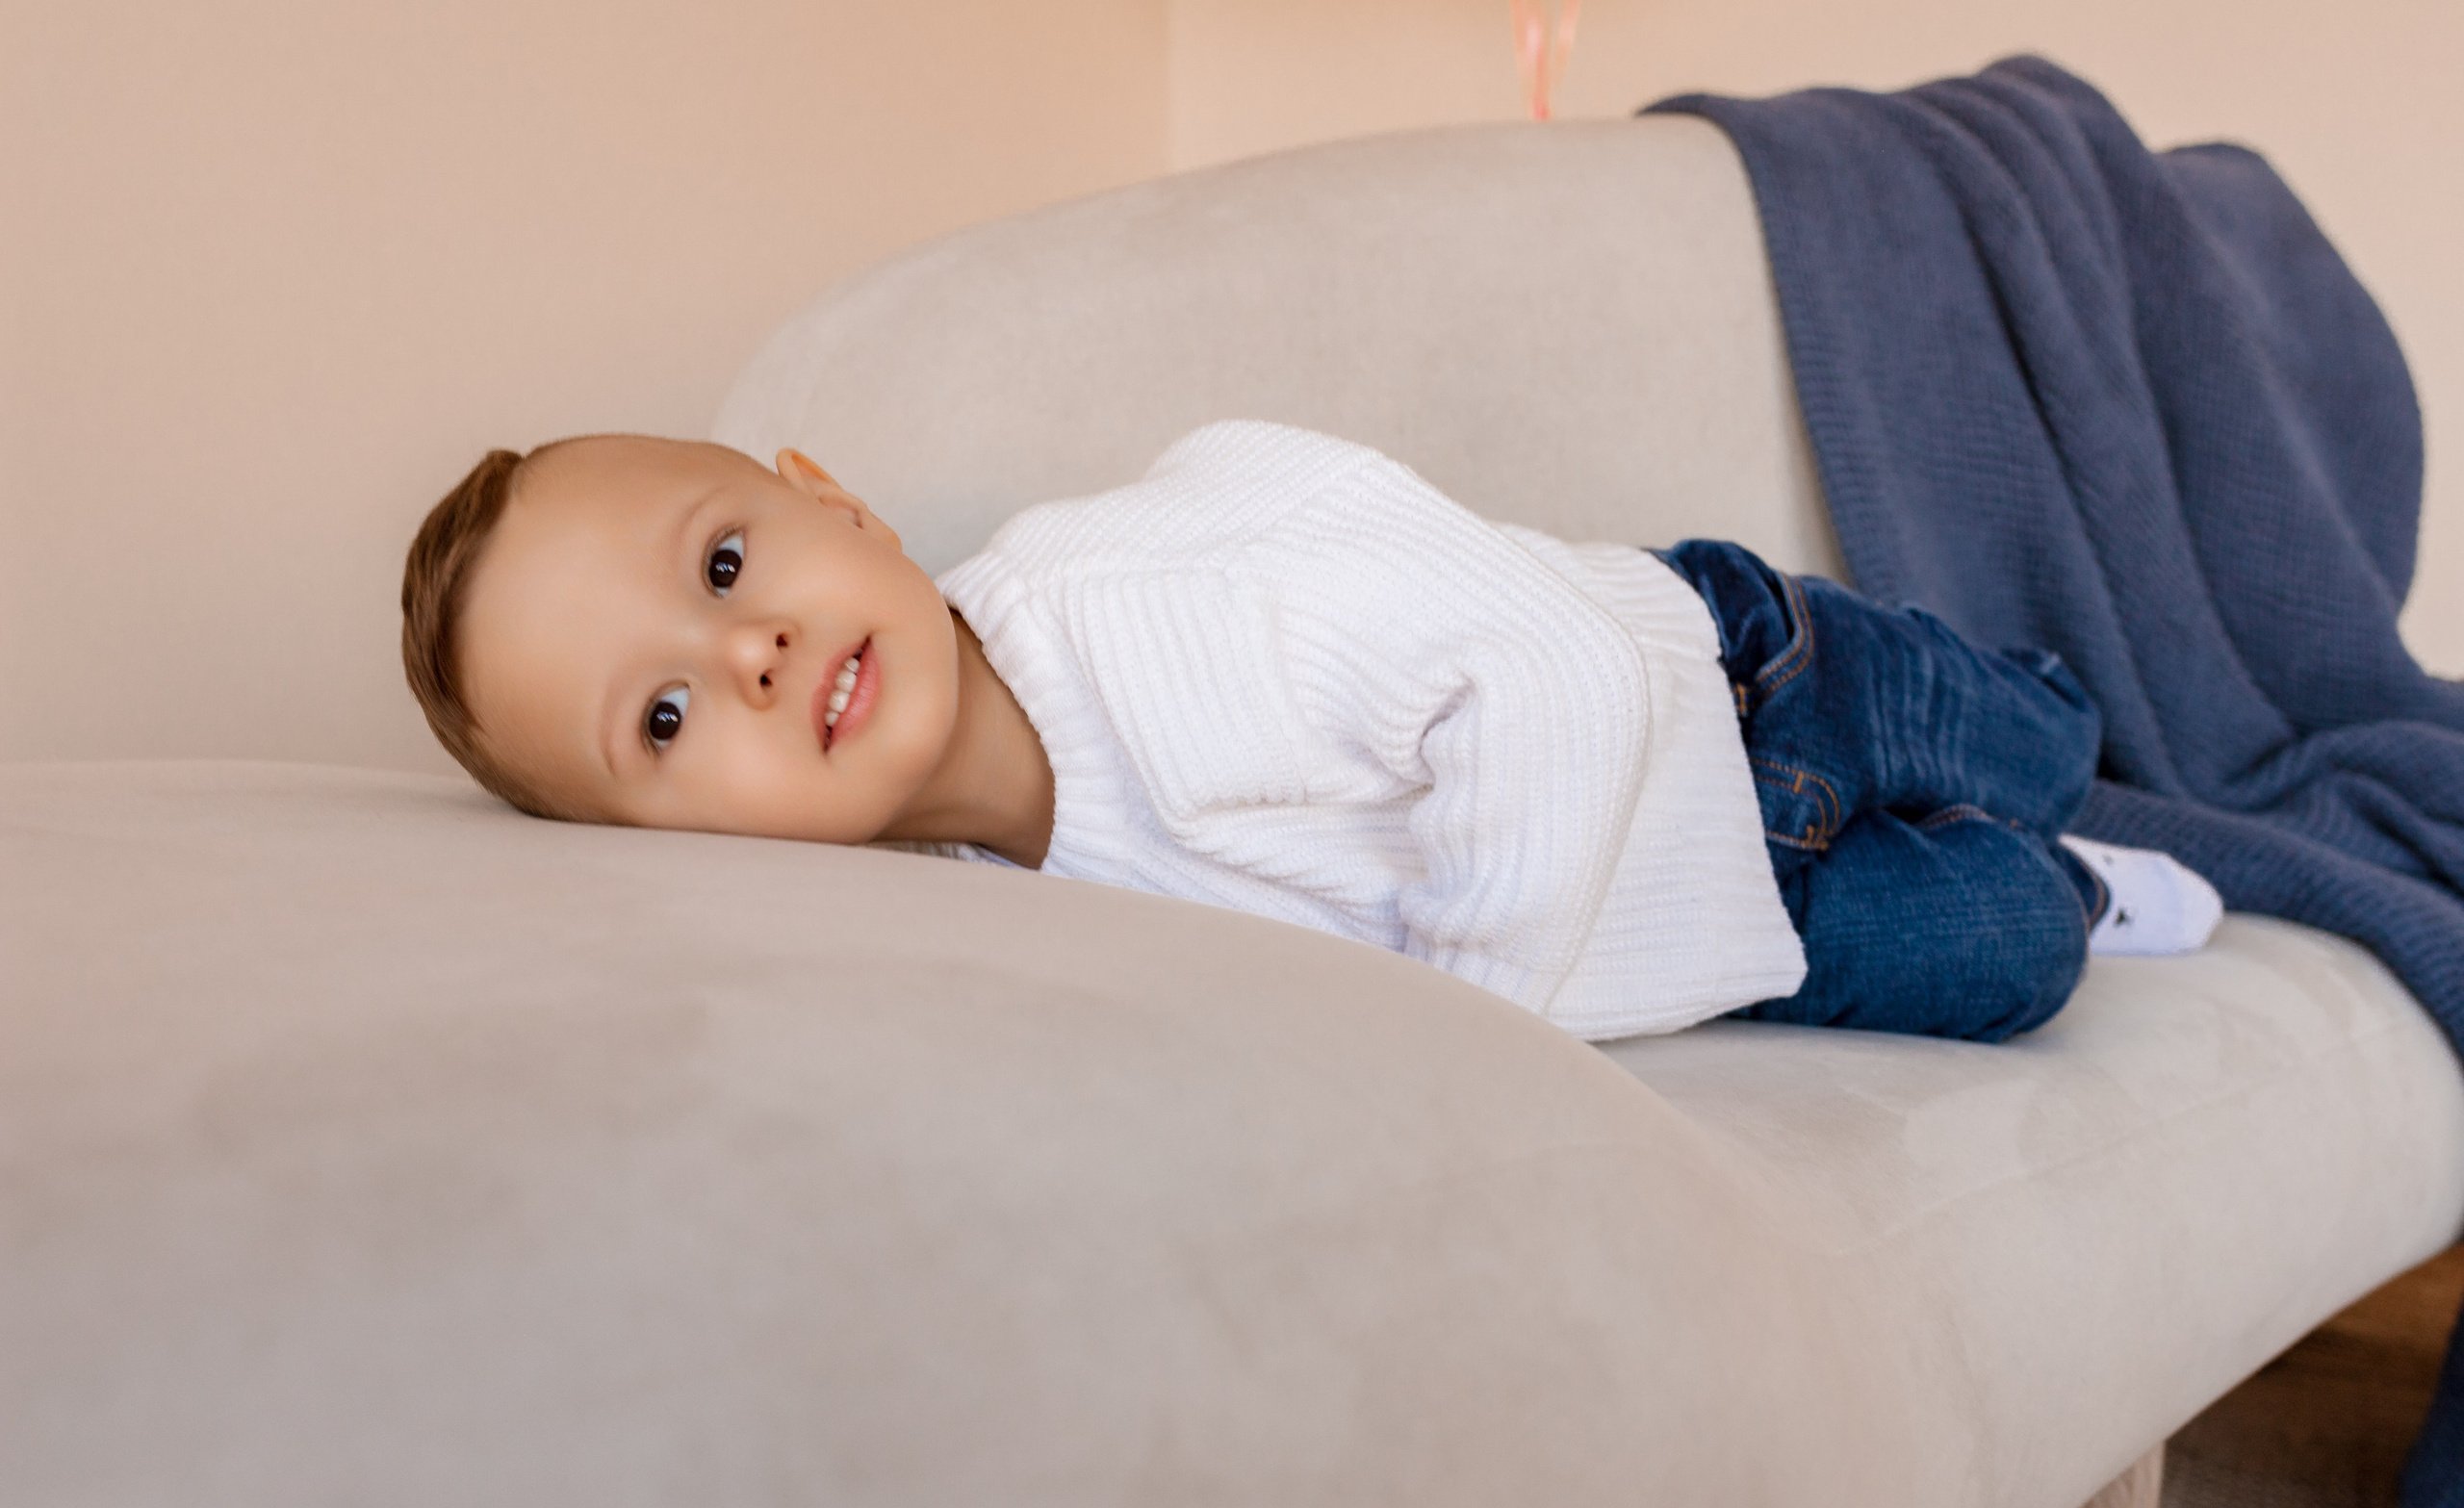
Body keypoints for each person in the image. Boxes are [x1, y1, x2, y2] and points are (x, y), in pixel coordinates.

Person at [399, 420, 2220, 1042]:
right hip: (1721, 919)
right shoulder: (947, 914)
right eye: (661, 716)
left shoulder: (1159, 595)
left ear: (835, 498)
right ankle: (2063, 867)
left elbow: (1543, 677)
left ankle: (2062, 724)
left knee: (2027, 737)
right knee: (2013, 945)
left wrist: (1476, 1023)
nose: (760, 656)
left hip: (1715, 682)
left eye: (727, 561)